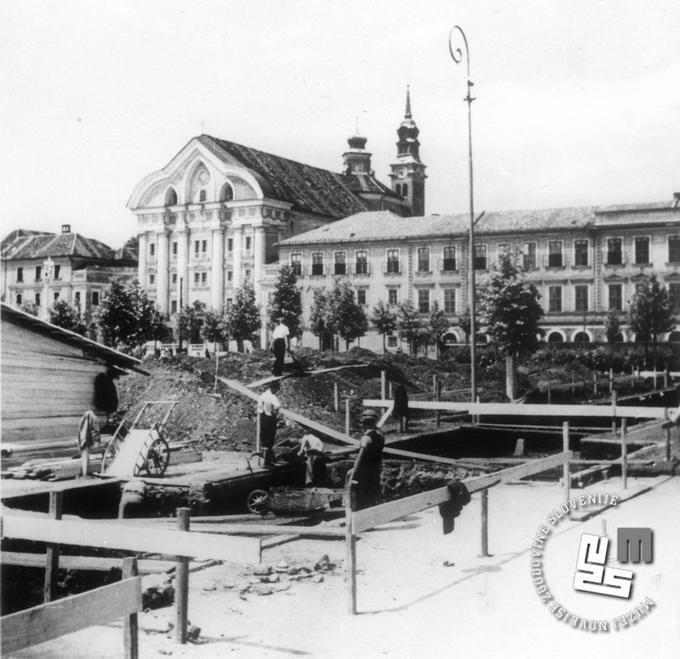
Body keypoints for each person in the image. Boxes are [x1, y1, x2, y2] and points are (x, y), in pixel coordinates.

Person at [348, 409, 385, 511]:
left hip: (364, 472)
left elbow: (360, 457)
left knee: (361, 498)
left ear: (364, 423)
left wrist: (353, 473)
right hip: (375, 471)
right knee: (371, 497)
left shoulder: (366, 438)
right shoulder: (381, 437)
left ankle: (360, 523)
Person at [257, 380, 282, 466]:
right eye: (276, 389)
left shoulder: (262, 396)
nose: (276, 391)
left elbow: (259, 409)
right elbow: (277, 406)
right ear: (274, 388)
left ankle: (266, 460)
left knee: (264, 440)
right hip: (270, 419)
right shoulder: (272, 397)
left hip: (262, 418)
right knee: (270, 440)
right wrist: (275, 414)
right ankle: (267, 462)